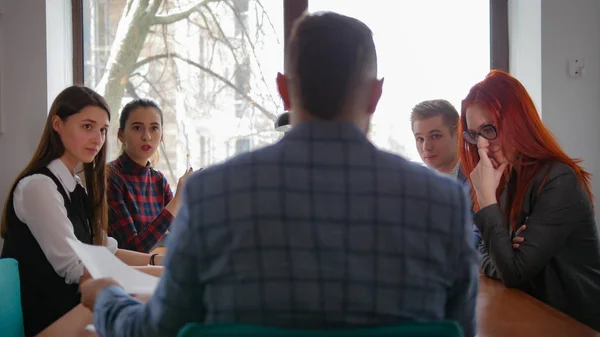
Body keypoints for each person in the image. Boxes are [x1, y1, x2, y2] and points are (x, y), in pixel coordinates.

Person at [81, 12, 478, 337]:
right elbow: (457, 328)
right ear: (376, 94)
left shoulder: (211, 195)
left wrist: (109, 300)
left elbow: (160, 332)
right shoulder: (443, 201)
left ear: (284, 91)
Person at [0, 86, 165, 336]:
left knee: (164, 284)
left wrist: (158, 263)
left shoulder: (75, 187)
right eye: (87, 127)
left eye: (102, 130)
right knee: (149, 298)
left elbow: (103, 248)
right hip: (49, 316)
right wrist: (151, 275)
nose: (98, 139)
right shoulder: (38, 186)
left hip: (75, 307)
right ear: (57, 124)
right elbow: (76, 268)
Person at [460, 69, 600, 332]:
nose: (481, 145)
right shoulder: (508, 177)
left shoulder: (559, 179)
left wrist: (486, 198)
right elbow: (487, 255)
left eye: (488, 129)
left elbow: (512, 272)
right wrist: (505, 257)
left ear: (517, 121)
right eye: (474, 134)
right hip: (531, 314)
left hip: (572, 324)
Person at [107, 99, 192, 253]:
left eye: (154, 128)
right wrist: (177, 199)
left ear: (162, 136)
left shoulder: (159, 180)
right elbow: (133, 249)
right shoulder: (110, 176)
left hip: (157, 270)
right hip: (123, 273)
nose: (147, 136)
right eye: (137, 128)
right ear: (121, 135)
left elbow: (183, 237)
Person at [411, 99, 482, 247]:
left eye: (435, 136)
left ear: (457, 133)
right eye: (420, 139)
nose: (426, 147)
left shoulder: (478, 178)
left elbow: (478, 242)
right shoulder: (413, 185)